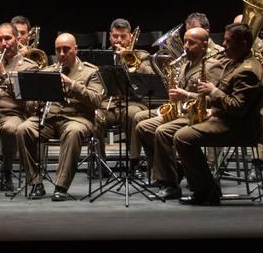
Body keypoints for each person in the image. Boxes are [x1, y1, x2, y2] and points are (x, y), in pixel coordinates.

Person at [173, 22, 263, 206]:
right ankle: (196, 185)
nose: (223, 45)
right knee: (179, 130)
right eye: (224, 40)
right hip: (225, 119)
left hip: (238, 126)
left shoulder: (247, 71)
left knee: (182, 137)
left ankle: (206, 191)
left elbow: (237, 108)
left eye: (228, 41)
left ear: (244, 43)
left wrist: (213, 91)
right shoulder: (235, 63)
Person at [18, 33, 104, 201]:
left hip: (77, 118)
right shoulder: (48, 71)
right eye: (58, 50)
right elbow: (30, 105)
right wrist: (36, 98)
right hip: (50, 118)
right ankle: (35, 182)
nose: (62, 54)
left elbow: (96, 101)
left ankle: (61, 186)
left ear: (76, 49)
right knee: (23, 129)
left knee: (73, 132)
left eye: (66, 49)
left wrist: (72, 85)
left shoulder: (91, 72)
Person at [141, 26, 226, 196]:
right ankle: (174, 171)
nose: (186, 46)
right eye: (185, 41)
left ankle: (170, 184)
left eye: (191, 43)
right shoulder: (186, 63)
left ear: (204, 45)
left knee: (163, 131)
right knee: (143, 127)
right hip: (184, 113)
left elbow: (213, 100)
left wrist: (186, 95)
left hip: (199, 116)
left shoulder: (211, 66)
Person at [97, 18, 154, 166]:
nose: (119, 41)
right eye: (115, 36)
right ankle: (100, 161)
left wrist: (129, 59)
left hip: (134, 102)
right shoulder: (103, 56)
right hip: (108, 103)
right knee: (94, 116)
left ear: (130, 37)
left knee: (133, 115)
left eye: (123, 36)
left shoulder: (142, 55)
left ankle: (134, 161)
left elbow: (149, 77)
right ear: (110, 36)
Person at [0, 21, 37, 191]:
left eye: (7, 38)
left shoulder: (29, 66)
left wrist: (3, 75)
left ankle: (6, 170)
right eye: (0, 39)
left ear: (17, 39)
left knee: (10, 129)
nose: (4, 43)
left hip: (13, 114)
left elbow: (28, 100)